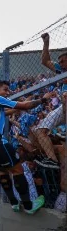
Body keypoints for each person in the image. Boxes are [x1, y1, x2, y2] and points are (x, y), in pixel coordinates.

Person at [0, 80, 54, 215]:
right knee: (17, 169)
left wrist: (20, 107)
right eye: (5, 89)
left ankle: (14, 203)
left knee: (2, 171)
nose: (8, 92)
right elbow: (25, 106)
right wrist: (43, 100)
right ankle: (29, 206)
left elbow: (5, 112)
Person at [32, 32, 67, 169]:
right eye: (60, 62)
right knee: (40, 130)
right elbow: (45, 61)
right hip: (63, 107)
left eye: (64, 61)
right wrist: (46, 43)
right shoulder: (60, 70)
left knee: (65, 96)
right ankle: (52, 160)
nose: (60, 63)